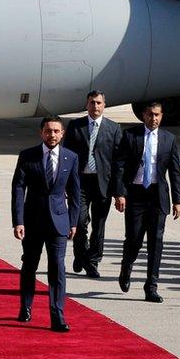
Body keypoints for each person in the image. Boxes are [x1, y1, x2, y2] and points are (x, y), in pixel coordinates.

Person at [11, 117, 81, 332]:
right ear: (41, 133)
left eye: (56, 131)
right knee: (29, 265)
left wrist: (74, 221)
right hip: (32, 221)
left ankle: (57, 315)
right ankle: (26, 306)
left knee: (57, 268)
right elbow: (18, 189)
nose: (52, 135)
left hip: (59, 222)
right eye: (48, 131)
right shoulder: (28, 156)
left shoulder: (71, 158)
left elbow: (76, 192)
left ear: (62, 134)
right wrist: (18, 221)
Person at [113, 102, 180, 303]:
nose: (154, 119)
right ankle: (126, 267)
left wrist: (178, 200)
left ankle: (151, 286)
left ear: (162, 116)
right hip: (135, 194)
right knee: (134, 239)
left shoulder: (169, 139)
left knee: (156, 243)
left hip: (157, 196)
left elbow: (175, 171)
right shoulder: (131, 136)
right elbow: (119, 166)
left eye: (157, 115)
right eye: (150, 115)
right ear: (144, 115)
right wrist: (120, 193)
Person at [63, 90, 121, 278]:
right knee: (79, 222)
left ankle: (93, 261)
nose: (95, 106)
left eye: (98, 103)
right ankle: (80, 254)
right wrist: (64, 183)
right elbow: (67, 156)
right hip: (80, 182)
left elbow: (119, 162)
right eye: (92, 103)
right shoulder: (75, 126)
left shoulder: (113, 128)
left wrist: (119, 191)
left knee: (99, 225)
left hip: (102, 183)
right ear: (86, 105)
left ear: (104, 105)